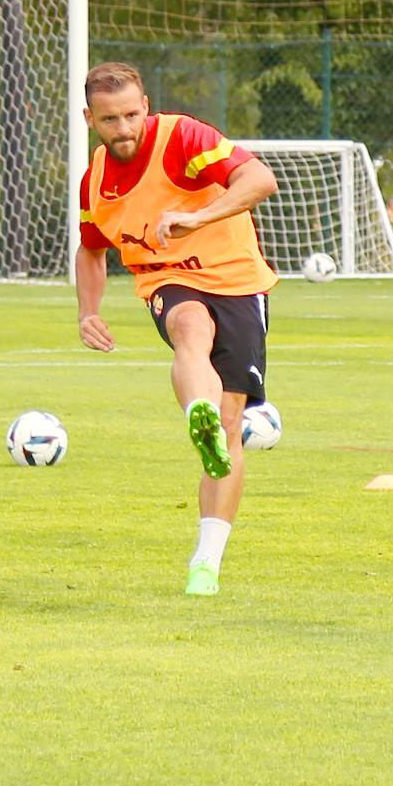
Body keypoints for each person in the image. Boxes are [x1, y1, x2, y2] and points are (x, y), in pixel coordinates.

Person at [75, 62, 278, 597]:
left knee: (234, 421)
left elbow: (259, 180)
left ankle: (205, 563)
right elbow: (92, 247)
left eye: (132, 115)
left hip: (237, 278)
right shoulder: (94, 179)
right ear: (89, 118)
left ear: (146, 105)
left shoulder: (183, 137)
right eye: (110, 119)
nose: (124, 129)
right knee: (189, 327)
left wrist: (199, 216)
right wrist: (87, 311)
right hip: (168, 279)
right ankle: (198, 414)